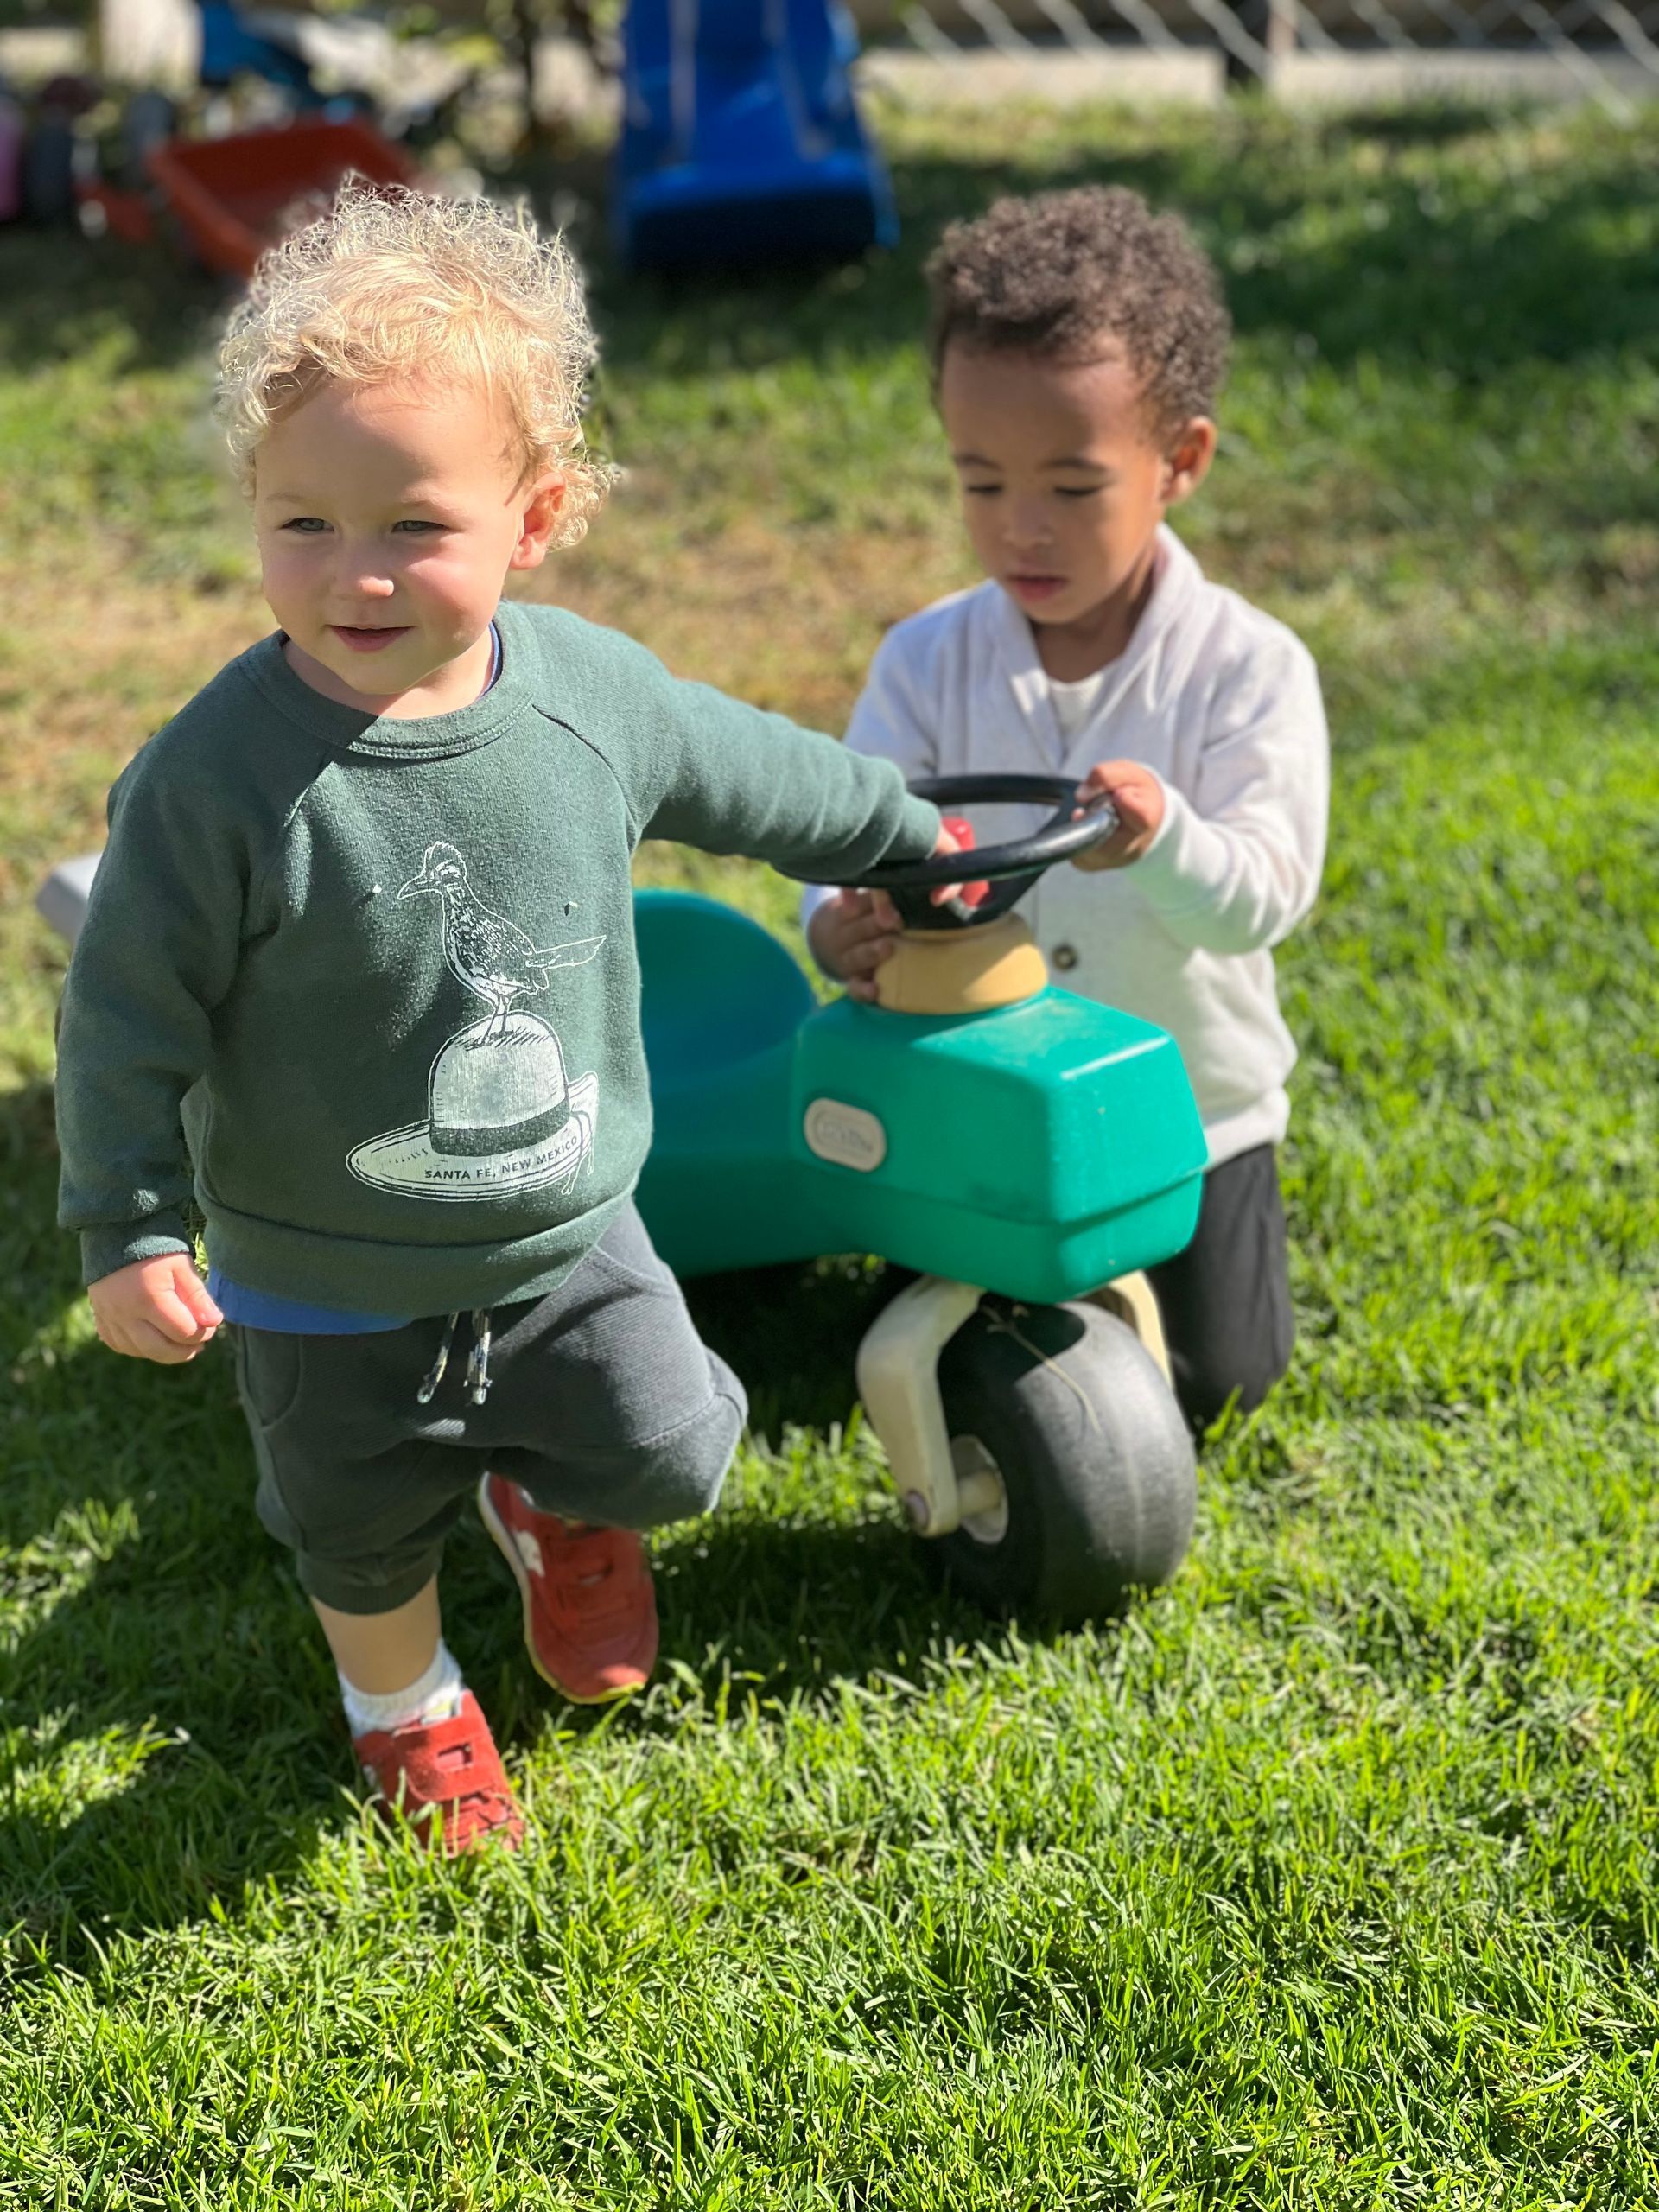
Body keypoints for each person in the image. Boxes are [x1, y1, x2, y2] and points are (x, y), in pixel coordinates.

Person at [54, 184, 953, 1855]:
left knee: (671, 1449)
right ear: (253, 507)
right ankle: (404, 1708)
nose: (356, 573)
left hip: (568, 1227)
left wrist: (903, 834)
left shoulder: (586, 701)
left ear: (534, 518)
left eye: (414, 524)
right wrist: (127, 1225)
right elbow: (124, 1011)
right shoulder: (213, 783)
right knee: (356, 1529)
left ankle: (555, 1499)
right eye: (303, 523)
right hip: (319, 1272)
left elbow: (752, 769)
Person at [805, 186, 1329, 1433]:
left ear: (1179, 463)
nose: (1021, 529)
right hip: (977, 1100)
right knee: (926, 1359)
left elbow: (1263, 897)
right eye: (981, 483)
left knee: (1220, 1383)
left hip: (1189, 1114)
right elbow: (850, 834)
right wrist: (838, 921)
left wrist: (1168, 841)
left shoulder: (1247, 670)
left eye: (1073, 488)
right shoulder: (928, 661)